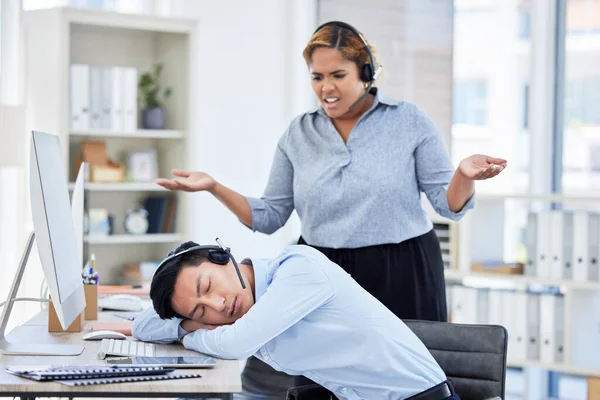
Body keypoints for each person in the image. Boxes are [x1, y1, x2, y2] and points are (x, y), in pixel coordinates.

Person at [155, 20, 505, 398]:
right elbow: (270, 215)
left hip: (402, 268)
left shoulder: (409, 122)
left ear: (366, 73)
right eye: (316, 76)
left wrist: (464, 176)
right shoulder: (298, 134)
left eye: (338, 74)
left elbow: (448, 205)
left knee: (408, 377)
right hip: (324, 270)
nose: (325, 87)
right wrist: (213, 186)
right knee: (322, 387)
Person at [132, 240, 462, 400]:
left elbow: (235, 344)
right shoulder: (243, 313)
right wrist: (189, 321)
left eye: (207, 286)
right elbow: (142, 326)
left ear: (222, 257)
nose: (218, 305)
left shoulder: (299, 268)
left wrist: (191, 332)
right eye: (202, 311)